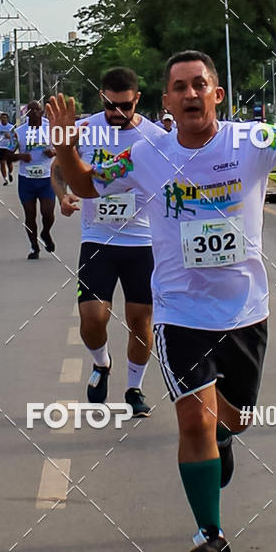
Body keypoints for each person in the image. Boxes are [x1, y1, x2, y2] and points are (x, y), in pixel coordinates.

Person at [48, 51, 276, 552]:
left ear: (217, 94)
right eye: (179, 87)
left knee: (233, 421)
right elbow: (86, 184)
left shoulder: (252, 142)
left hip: (245, 312)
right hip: (180, 312)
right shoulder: (145, 154)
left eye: (199, 84)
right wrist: (68, 149)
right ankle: (210, 536)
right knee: (193, 420)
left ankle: (225, 437)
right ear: (165, 101)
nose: (190, 94)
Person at [51, 67, 164, 417]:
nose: (119, 114)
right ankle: (101, 363)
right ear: (103, 97)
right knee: (93, 317)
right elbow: (59, 167)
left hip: (142, 241)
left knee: (140, 320)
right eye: (113, 106)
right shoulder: (85, 130)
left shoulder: (156, 138)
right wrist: (62, 195)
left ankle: (134, 387)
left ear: (137, 100)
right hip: (98, 237)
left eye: (126, 106)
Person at [10, 101, 56, 259]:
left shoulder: (50, 127)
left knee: (48, 213)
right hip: (26, 180)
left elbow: (62, 146)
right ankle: (34, 247)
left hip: (46, 179)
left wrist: (53, 152)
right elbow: (7, 154)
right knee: (30, 215)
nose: (35, 112)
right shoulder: (19, 132)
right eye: (31, 110)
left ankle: (45, 232)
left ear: (42, 111)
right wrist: (20, 156)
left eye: (38, 109)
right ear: (26, 113)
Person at [0, 112, 15, 185]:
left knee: (9, 162)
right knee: (2, 162)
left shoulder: (11, 127)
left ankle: (10, 173)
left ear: (7, 119)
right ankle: (5, 179)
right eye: (2, 118)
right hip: (1, 147)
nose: (3, 119)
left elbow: (15, 136)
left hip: (9, 146)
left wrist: (10, 136)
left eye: (5, 118)